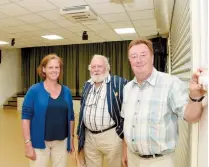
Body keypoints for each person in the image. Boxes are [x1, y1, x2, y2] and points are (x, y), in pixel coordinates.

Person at [121, 39, 206, 167]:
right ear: (130, 61)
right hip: (133, 159)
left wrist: (195, 97)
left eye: (143, 55)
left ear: (152, 57)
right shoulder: (127, 88)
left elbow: (191, 117)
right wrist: (125, 152)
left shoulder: (170, 83)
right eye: (134, 56)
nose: (138, 60)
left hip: (159, 162)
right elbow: (127, 123)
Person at [22, 54, 75, 167]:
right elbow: (26, 118)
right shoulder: (34, 90)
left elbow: (70, 117)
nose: (54, 70)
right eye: (50, 67)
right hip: (39, 143)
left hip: (61, 143)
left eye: (57, 67)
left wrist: (71, 139)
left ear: (60, 70)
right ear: (44, 69)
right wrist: (27, 144)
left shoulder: (66, 91)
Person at [77, 54, 128, 167]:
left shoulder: (118, 83)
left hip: (111, 136)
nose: (96, 69)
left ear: (107, 68)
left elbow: (127, 111)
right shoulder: (87, 85)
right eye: (93, 67)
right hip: (89, 138)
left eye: (99, 66)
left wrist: (121, 133)